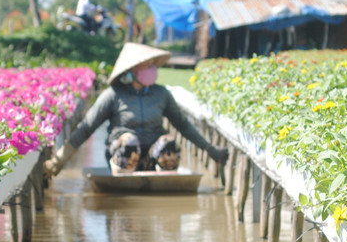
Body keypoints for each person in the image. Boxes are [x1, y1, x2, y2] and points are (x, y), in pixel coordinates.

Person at [44, 42, 230, 176]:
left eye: (153, 65)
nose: (152, 69)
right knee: (129, 142)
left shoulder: (161, 94)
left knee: (168, 144)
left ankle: (160, 177)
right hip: (124, 156)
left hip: (152, 156)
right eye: (147, 65)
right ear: (132, 70)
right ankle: (124, 176)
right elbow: (86, 128)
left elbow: (183, 125)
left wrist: (209, 148)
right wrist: (58, 161)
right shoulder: (113, 95)